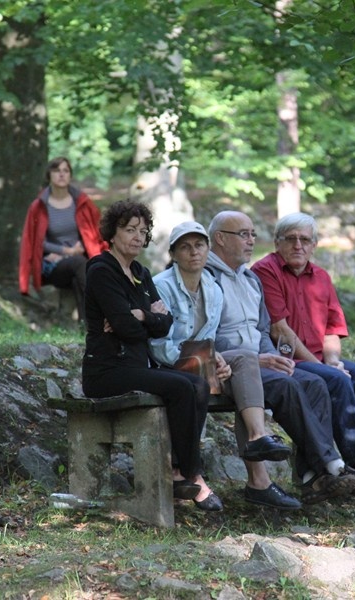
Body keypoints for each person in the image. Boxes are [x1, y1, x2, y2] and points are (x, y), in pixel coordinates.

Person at [206, 210, 355, 505]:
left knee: (315, 383)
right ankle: (334, 466)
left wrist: (272, 355)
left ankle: (314, 478)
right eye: (244, 235)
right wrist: (257, 358)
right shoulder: (208, 279)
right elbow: (207, 335)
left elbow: (262, 329)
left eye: (253, 234)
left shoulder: (249, 279)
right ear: (220, 239)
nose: (251, 241)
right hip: (228, 367)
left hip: (261, 361)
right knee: (292, 385)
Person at [251, 212, 355, 499]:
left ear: (315, 245)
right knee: (335, 380)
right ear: (277, 243)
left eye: (305, 240)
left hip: (317, 357)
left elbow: (331, 329)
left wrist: (334, 360)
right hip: (286, 359)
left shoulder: (322, 277)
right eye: (290, 239)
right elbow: (280, 330)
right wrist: (325, 368)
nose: (298, 245)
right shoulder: (266, 271)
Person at [150, 221, 301, 510]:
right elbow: (159, 346)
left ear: (208, 249)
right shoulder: (161, 286)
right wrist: (203, 359)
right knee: (201, 380)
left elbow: (208, 337)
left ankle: (258, 437)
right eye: (185, 247)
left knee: (243, 357)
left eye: (199, 245)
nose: (193, 252)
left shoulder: (212, 288)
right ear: (174, 253)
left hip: (198, 360)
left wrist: (214, 357)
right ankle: (190, 472)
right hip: (167, 364)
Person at [82, 201, 221, 512]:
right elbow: (125, 327)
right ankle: (192, 474)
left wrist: (140, 318)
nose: (137, 236)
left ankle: (179, 470)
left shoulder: (141, 273)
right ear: (112, 233)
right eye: (130, 230)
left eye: (143, 231)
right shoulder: (101, 270)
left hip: (134, 366)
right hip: (106, 371)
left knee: (197, 384)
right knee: (181, 387)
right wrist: (144, 319)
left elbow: (163, 324)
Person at [18, 157, 108, 321]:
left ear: (70, 175)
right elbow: (36, 241)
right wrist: (65, 251)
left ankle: (88, 326)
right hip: (52, 265)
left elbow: (95, 231)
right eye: (57, 170)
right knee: (80, 264)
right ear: (49, 175)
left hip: (79, 261)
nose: (61, 174)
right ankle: (102, 314)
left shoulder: (82, 202)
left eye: (65, 171)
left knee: (79, 275)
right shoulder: (39, 206)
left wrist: (82, 245)